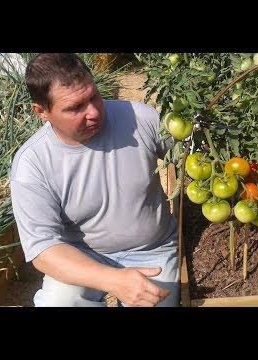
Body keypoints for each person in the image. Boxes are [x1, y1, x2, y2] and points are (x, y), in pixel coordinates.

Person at [10, 53, 179, 307]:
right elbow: (44, 251)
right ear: (41, 111)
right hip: (82, 258)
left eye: (93, 96)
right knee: (59, 303)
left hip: (151, 251)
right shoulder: (33, 164)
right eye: (75, 107)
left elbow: (189, 155)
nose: (93, 112)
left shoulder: (140, 119)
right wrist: (113, 280)